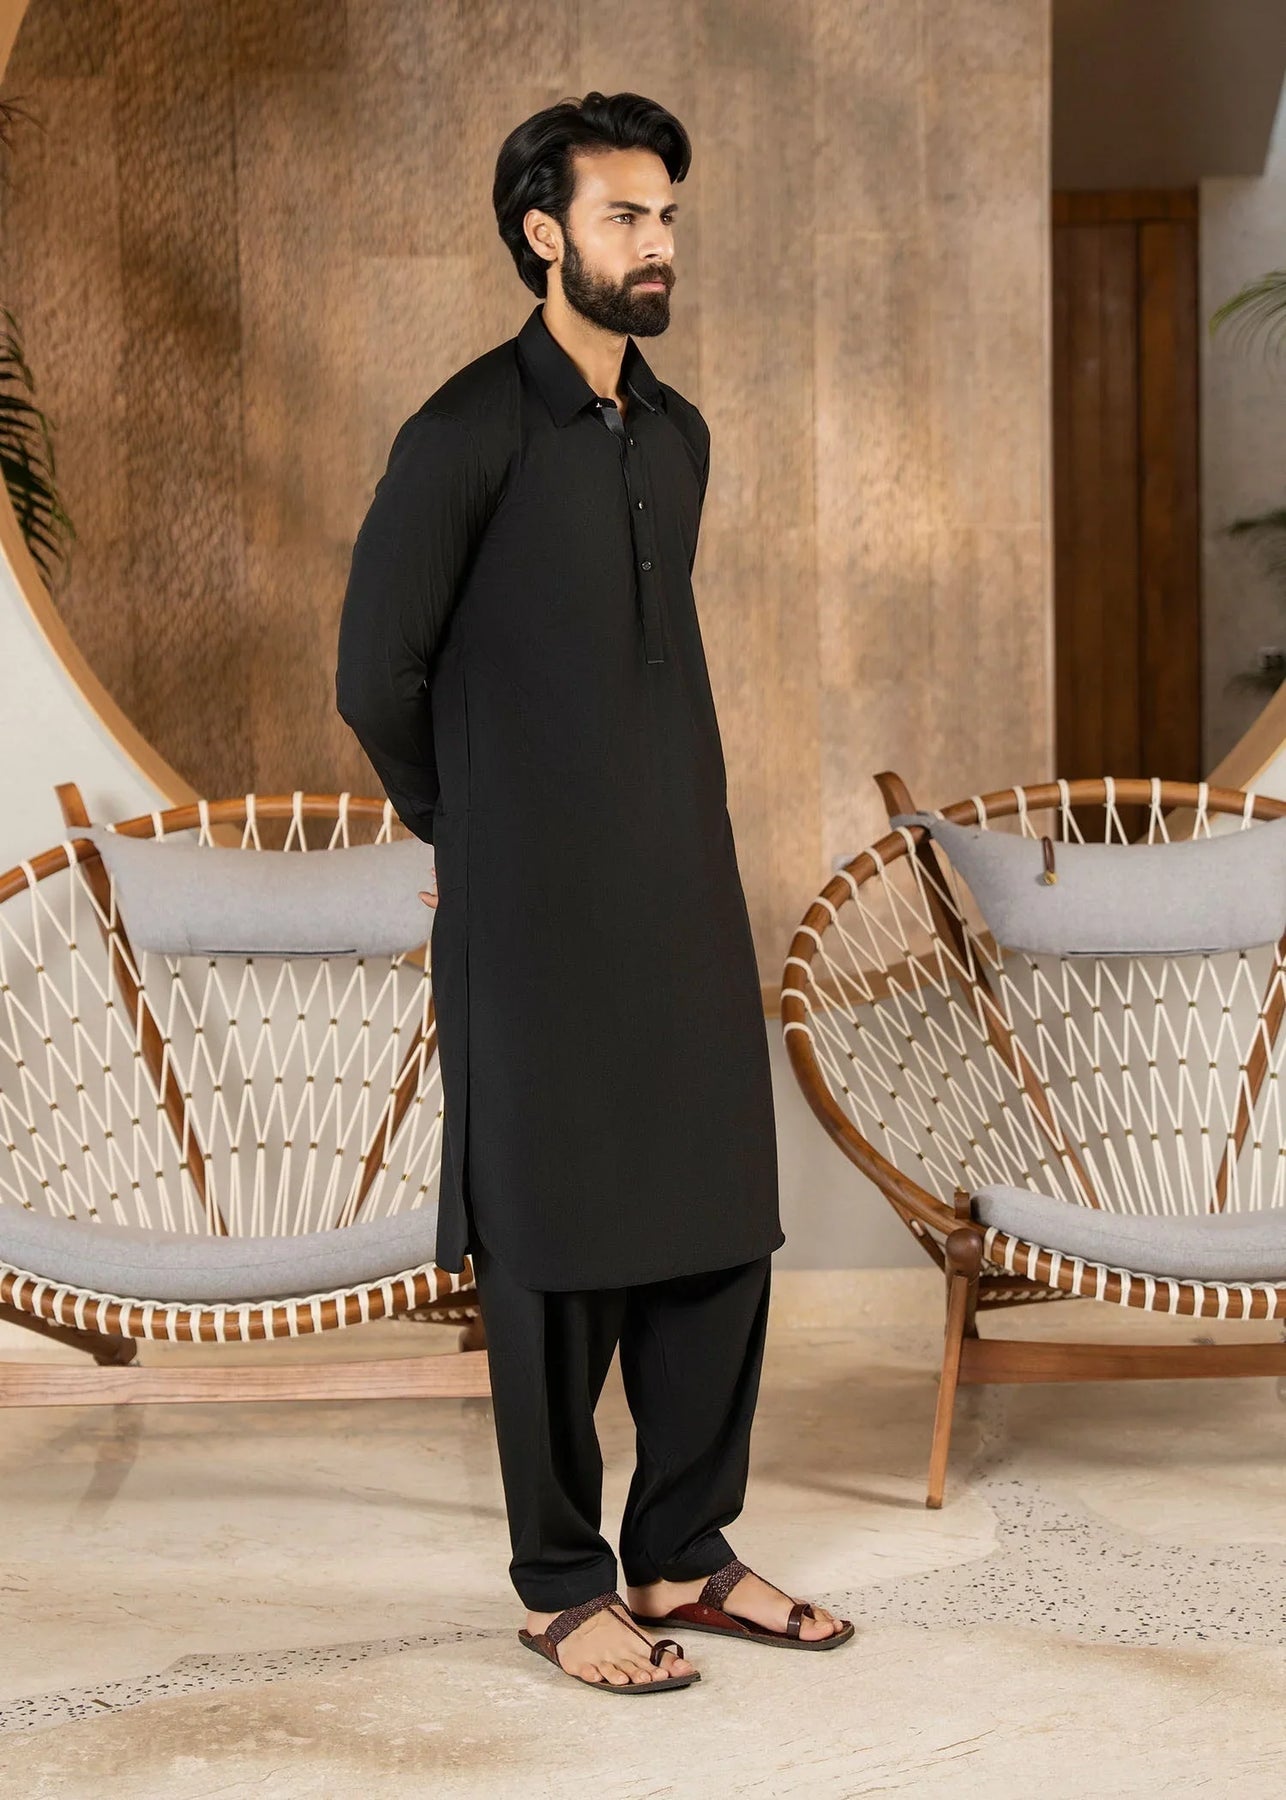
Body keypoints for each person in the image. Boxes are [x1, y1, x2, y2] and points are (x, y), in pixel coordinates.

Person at [336, 90, 852, 1693]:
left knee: (716, 1214)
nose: (656, 242)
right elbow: (374, 674)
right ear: (542, 234)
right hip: (527, 902)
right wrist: (467, 827)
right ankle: (561, 1583)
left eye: (666, 216)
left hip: (680, 878)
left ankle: (683, 1552)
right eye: (625, 215)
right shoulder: (462, 433)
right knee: (552, 1236)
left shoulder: (676, 434)